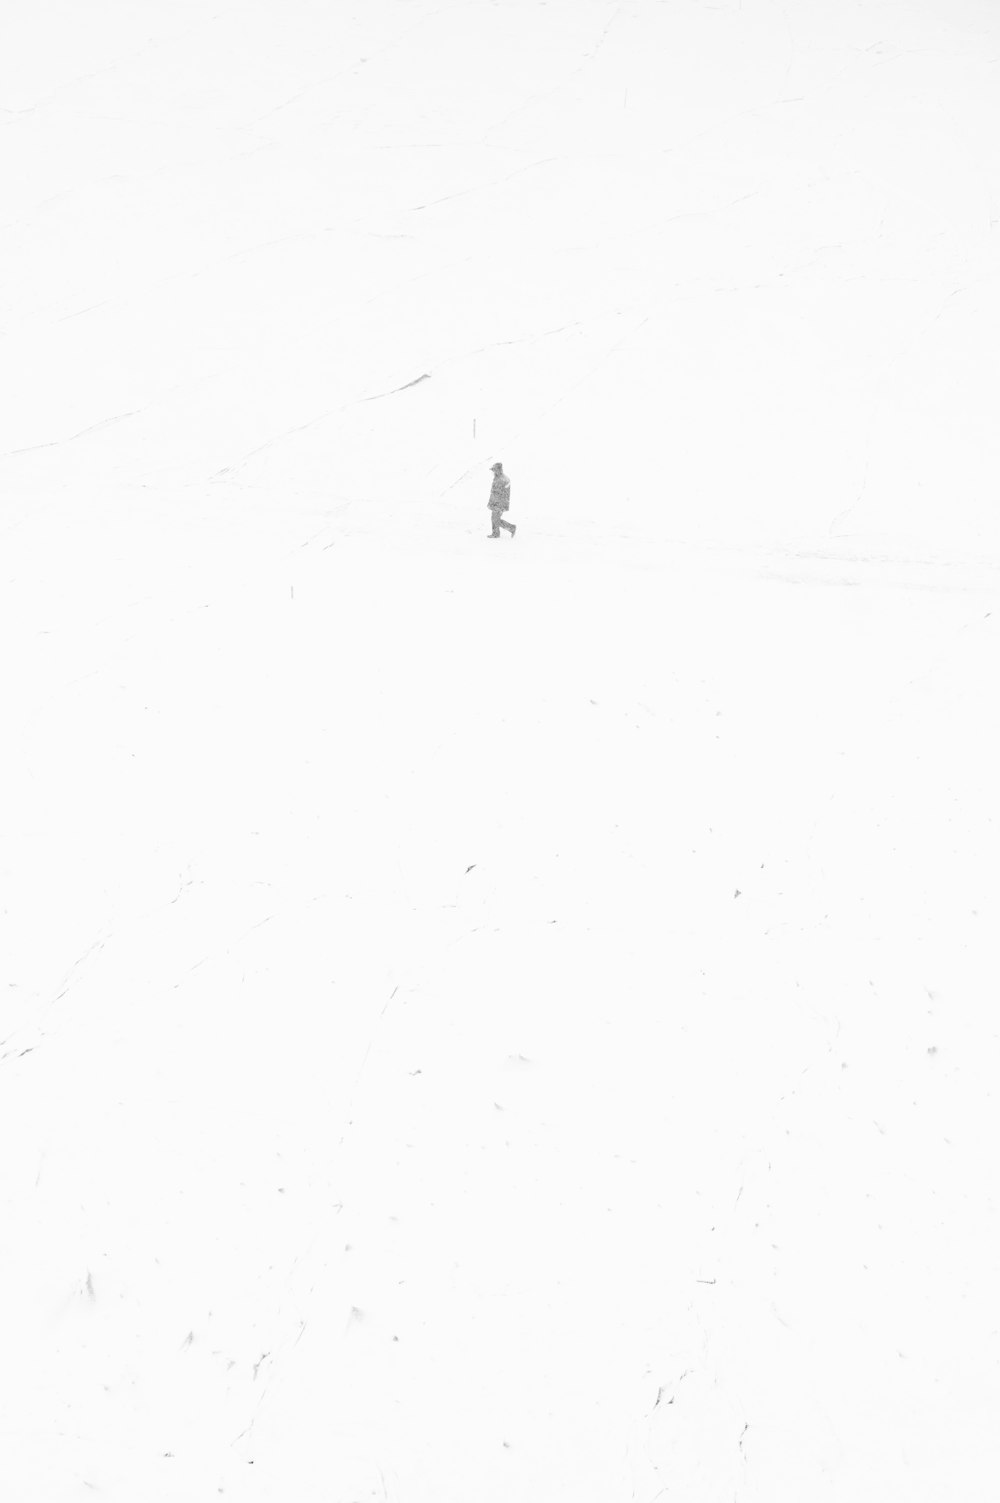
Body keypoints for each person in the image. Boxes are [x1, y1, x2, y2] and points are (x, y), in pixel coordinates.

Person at [487, 461, 516, 539]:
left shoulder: (504, 479)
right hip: (495, 502)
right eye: (493, 470)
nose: (493, 472)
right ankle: (501, 531)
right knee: (495, 519)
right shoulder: (498, 477)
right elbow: (494, 492)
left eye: (494, 470)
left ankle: (508, 529)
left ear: (499, 470)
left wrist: (499, 504)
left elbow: (503, 493)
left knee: (495, 519)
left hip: (500, 503)